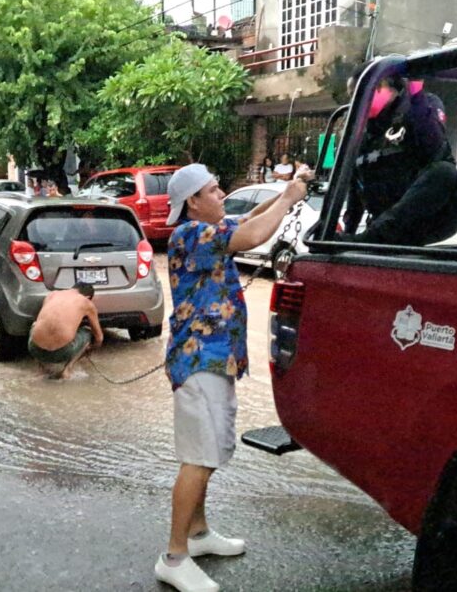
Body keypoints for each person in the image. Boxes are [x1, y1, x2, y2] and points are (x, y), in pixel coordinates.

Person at [155, 164, 306, 592]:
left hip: (217, 360)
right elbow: (254, 238)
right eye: (214, 189)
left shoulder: (214, 227)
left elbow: (253, 223)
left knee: (209, 453)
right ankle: (173, 556)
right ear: (192, 204)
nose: (223, 194)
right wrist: (291, 198)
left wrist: (286, 194)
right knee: (198, 459)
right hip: (199, 361)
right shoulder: (191, 235)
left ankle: (198, 535)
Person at [338, 68, 457, 246]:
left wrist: (416, 96)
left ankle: (374, 236)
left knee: (445, 171)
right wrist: (347, 235)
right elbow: (356, 185)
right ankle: (373, 236)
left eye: (364, 92)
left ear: (391, 88)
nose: (357, 100)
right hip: (388, 219)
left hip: (434, 212)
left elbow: (434, 145)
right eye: (353, 95)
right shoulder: (361, 130)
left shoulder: (419, 108)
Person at [28, 282, 104, 379]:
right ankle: (67, 369)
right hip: (63, 352)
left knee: (36, 325)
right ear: (88, 297)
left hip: (35, 349)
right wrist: (91, 349)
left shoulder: (52, 295)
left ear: (73, 289)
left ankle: (41, 369)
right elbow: (99, 338)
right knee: (88, 332)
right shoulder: (86, 302)